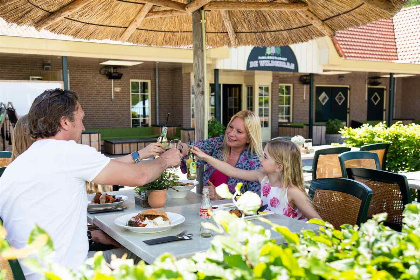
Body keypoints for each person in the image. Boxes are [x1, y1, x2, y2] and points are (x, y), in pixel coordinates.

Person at [0, 89, 182, 280]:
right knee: (146, 259)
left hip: (33, 272)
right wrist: (165, 161)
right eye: (80, 119)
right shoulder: (67, 153)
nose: (83, 127)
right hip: (66, 274)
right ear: (64, 122)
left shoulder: (19, 164)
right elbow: (141, 177)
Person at [192, 139, 321, 221]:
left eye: (265, 157)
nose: (260, 159)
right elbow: (232, 171)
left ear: (279, 167)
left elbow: (318, 222)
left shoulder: (292, 192)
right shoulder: (263, 178)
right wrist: (205, 157)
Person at [180, 110, 263, 199]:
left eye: (239, 131)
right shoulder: (219, 144)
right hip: (205, 208)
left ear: (249, 138)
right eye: (231, 127)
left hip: (232, 212)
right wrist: (182, 148)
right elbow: (195, 148)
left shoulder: (255, 162)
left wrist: (221, 196)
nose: (231, 133)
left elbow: (255, 200)